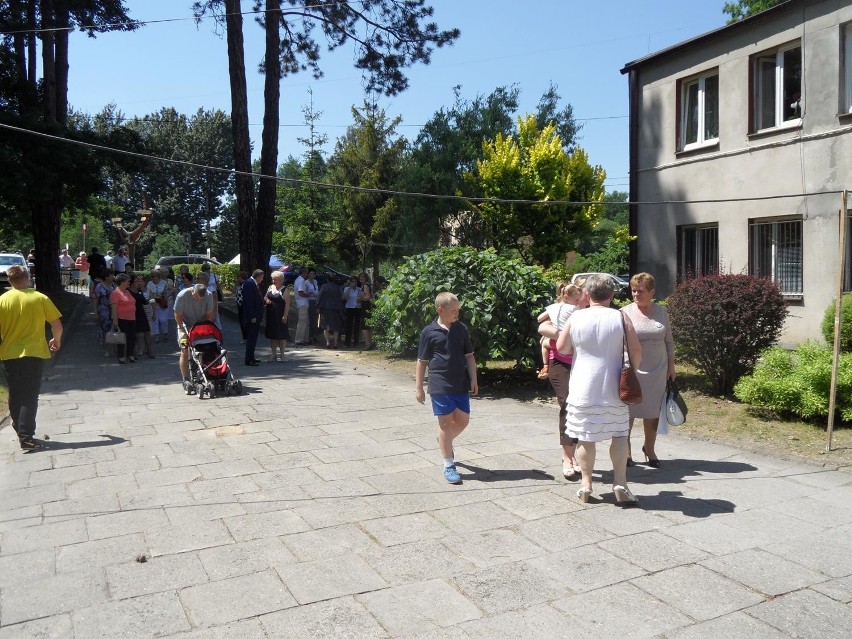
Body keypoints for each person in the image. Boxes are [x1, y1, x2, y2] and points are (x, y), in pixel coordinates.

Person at [556, 273, 642, 505]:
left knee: (585, 437)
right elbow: (635, 350)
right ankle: (620, 484)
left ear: (587, 294)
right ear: (612, 294)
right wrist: (633, 369)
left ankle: (586, 484)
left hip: (583, 385)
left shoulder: (576, 317)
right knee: (620, 434)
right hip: (614, 385)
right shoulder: (620, 317)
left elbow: (562, 348)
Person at [415, 292, 479, 485]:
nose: (457, 314)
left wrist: (474, 378)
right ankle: (448, 463)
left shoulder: (461, 329)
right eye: (453, 311)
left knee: (462, 420)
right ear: (440, 310)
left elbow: (469, 356)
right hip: (439, 384)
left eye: (458, 310)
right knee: (445, 423)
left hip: (460, 383)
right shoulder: (429, 332)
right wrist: (419, 387)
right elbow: (421, 361)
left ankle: (444, 440)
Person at [0, 265, 62, 449]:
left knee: (15, 391)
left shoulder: (2, 300)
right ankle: (26, 437)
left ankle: (19, 427)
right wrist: (56, 340)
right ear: (27, 278)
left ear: (9, 281)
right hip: (34, 352)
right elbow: (56, 324)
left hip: (10, 353)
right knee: (30, 395)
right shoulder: (39, 298)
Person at [621, 272, 675, 468]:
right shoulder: (624, 312)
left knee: (653, 412)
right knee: (629, 412)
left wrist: (671, 365)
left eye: (640, 291)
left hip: (658, 371)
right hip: (632, 369)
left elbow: (669, 341)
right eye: (633, 290)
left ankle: (649, 448)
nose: (636, 294)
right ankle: (625, 452)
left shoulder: (662, 312)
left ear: (652, 292)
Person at [536, 283, 584, 479]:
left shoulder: (590, 311)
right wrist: (561, 335)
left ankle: (578, 454)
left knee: (582, 407)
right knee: (567, 404)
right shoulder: (561, 309)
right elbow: (541, 326)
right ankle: (567, 456)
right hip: (561, 363)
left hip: (583, 364)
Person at [174, 282, 216, 383]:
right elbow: (177, 315)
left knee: (206, 346)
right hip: (184, 325)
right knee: (184, 350)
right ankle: (186, 378)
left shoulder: (209, 295)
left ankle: (204, 371)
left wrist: (205, 328)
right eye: (196, 297)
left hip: (200, 325)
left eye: (200, 298)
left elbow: (209, 315)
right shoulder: (182, 295)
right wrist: (183, 330)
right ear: (192, 290)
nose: (198, 300)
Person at [264, 271, 292, 361]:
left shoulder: (285, 290)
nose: (273, 281)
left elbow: (287, 304)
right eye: (272, 279)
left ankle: (282, 355)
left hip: (280, 316)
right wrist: (267, 300)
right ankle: (273, 354)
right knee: (273, 336)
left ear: (280, 280)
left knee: (281, 336)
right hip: (271, 315)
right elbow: (265, 297)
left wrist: (285, 316)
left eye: (275, 279)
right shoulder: (270, 287)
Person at [110, 273, 137, 364]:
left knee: (132, 338)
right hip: (122, 320)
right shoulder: (115, 293)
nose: (129, 282)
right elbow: (114, 308)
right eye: (127, 281)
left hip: (132, 319)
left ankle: (130, 355)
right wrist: (115, 321)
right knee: (121, 339)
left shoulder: (127, 291)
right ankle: (121, 356)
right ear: (122, 282)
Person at [240, 269, 265, 366]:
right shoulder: (249, 283)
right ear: (258, 276)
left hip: (255, 315)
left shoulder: (252, 283)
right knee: (251, 338)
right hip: (252, 317)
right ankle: (249, 359)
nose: (262, 280)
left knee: (253, 338)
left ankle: (251, 357)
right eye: (262, 277)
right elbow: (249, 302)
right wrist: (252, 316)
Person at [130, 274, 155, 359]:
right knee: (139, 334)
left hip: (142, 313)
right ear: (132, 283)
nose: (138, 283)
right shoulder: (129, 291)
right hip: (133, 313)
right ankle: (136, 351)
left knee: (147, 333)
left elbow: (144, 301)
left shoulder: (139, 291)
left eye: (139, 281)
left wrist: (150, 301)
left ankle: (150, 351)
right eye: (136, 281)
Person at [146, 268, 172, 343]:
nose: (152, 277)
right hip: (153, 303)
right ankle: (156, 335)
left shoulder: (165, 282)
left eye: (153, 276)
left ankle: (165, 333)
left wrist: (167, 296)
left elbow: (173, 289)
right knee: (155, 320)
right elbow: (148, 292)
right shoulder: (149, 283)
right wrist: (153, 296)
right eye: (151, 276)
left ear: (158, 276)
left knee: (163, 320)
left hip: (162, 303)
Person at [93, 271, 115, 357]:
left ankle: (113, 347)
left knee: (113, 329)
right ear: (106, 277)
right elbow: (95, 300)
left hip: (112, 310)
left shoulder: (114, 285)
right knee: (105, 330)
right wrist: (95, 313)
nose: (113, 276)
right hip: (103, 311)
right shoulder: (99, 287)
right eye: (111, 275)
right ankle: (106, 348)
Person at [317, 275, 344, 348]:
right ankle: (335, 343)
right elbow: (341, 297)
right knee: (336, 327)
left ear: (327, 280)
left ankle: (328, 343)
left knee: (326, 326)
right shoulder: (338, 287)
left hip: (326, 308)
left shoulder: (324, 286)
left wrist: (318, 305)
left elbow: (320, 296)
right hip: (336, 308)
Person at [293, 266, 312, 345]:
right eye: (307, 272)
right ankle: (299, 340)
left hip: (303, 304)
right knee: (302, 322)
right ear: (303, 272)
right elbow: (301, 292)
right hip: (302, 304)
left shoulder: (299, 280)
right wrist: (308, 295)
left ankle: (305, 339)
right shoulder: (300, 281)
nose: (307, 274)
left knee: (306, 322)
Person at [342, 275, 361, 348]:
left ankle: (356, 342)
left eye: (356, 281)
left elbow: (360, 298)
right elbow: (344, 298)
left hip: (357, 308)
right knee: (348, 325)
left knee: (356, 325)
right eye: (353, 281)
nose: (354, 283)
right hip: (349, 307)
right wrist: (349, 288)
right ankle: (347, 342)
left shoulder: (359, 289)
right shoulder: (347, 288)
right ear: (350, 282)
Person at [358, 272, 374, 350]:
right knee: (367, 326)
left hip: (366, 306)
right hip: (364, 306)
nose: (361, 278)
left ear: (366, 278)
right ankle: (369, 343)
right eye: (360, 277)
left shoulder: (365, 286)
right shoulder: (363, 286)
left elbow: (368, 297)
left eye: (363, 277)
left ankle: (368, 344)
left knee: (365, 326)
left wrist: (360, 299)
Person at [306, 269, 320, 344]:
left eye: (313, 274)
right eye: (310, 273)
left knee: (315, 319)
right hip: (310, 301)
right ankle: (310, 335)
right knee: (311, 318)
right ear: (308, 274)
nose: (312, 275)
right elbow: (307, 292)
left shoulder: (315, 281)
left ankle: (315, 334)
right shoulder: (306, 282)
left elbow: (316, 291)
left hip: (316, 301)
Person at [235, 271, 249, 343]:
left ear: (241, 277)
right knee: (241, 321)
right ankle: (245, 337)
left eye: (239, 277)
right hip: (239, 304)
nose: (237, 278)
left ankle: (246, 337)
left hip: (244, 304)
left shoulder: (246, 284)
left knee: (244, 322)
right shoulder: (239, 285)